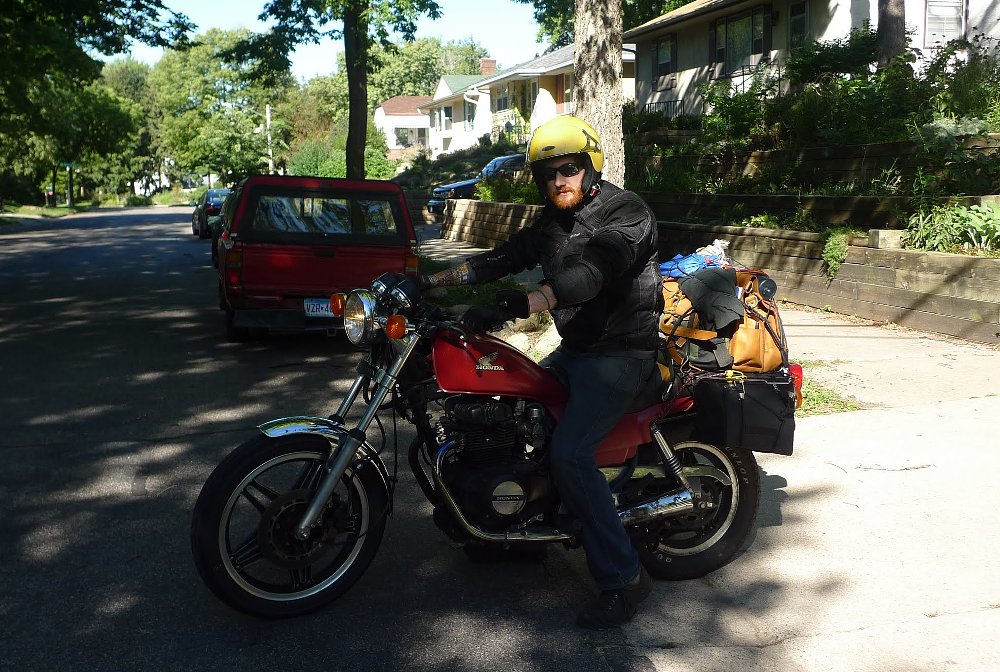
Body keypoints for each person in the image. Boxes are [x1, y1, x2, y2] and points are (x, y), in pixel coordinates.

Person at [424, 115, 664, 629]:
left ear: (589, 167)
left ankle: (624, 578)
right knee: (516, 416)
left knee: (571, 454)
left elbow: (591, 274)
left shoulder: (627, 213)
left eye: (569, 170)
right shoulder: (552, 222)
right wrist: (432, 281)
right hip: (576, 350)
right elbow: (500, 259)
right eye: (548, 174)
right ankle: (522, 523)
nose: (559, 181)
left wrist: (527, 302)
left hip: (622, 356)